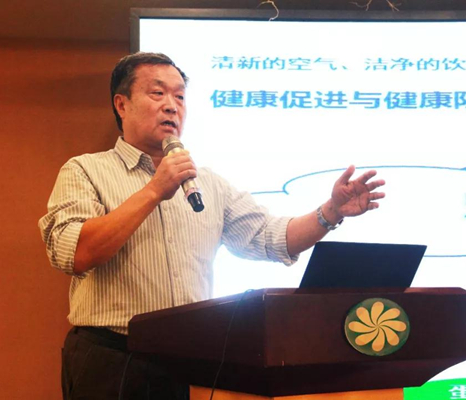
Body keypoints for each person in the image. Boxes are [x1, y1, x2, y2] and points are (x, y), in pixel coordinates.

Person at [38, 52, 385, 400]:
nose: (172, 106)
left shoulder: (208, 183)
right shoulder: (85, 170)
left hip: (184, 359)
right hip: (111, 358)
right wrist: (155, 190)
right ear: (122, 104)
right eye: (157, 93)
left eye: (179, 96)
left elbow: (272, 238)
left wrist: (331, 211)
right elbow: (76, 253)